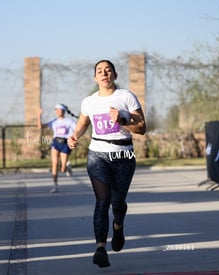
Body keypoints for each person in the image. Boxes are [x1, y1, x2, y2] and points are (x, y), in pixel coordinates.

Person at [67, 60, 146, 268]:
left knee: (117, 202)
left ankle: (118, 226)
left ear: (115, 75)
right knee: (102, 201)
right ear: (95, 77)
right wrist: (73, 136)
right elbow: (84, 123)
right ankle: (100, 248)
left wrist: (122, 119)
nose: (104, 74)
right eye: (100, 71)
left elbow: (142, 127)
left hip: (124, 155)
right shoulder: (89, 102)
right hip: (98, 155)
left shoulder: (126, 97)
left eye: (108, 70)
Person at [38, 104, 77, 193]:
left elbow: (76, 131)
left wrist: (74, 139)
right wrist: (39, 115)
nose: (58, 111)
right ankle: (55, 185)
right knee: (54, 163)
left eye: (60, 110)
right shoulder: (54, 121)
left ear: (64, 111)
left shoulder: (69, 122)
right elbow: (40, 126)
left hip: (65, 143)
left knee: (62, 169)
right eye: (56, 110)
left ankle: (67, 167)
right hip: (56, 143)